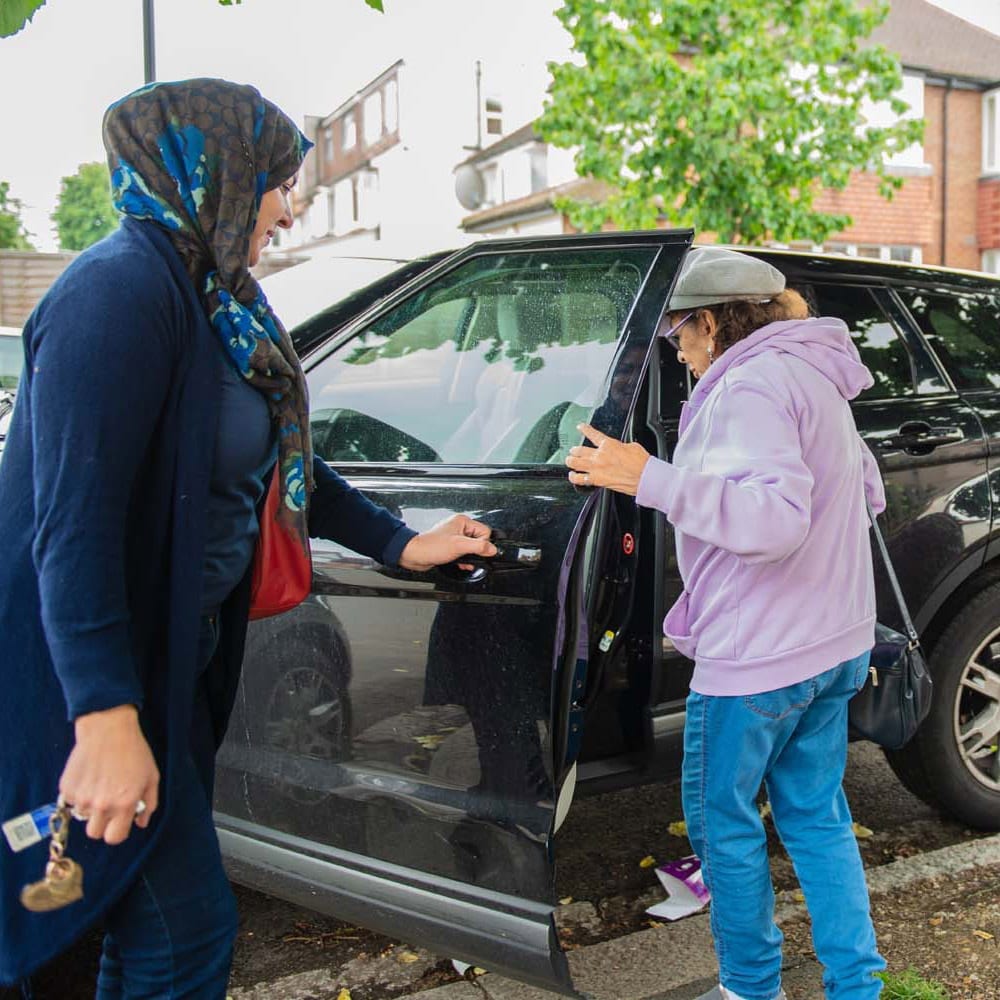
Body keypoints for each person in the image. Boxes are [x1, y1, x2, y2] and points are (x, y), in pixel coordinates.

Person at [0, 78, 496, 997]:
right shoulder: (116, 293)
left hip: (177, 662)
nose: (288, 206)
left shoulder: (219, 299)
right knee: (186, 934)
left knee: (139, 925)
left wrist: (398, 542)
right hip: (97, 678)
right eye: (277, 180)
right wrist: (104, 717)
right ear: (214, 172)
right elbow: (73, 527)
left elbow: (283, 455)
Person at [565, 246, 887, 1000]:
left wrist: (648, 477)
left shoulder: (747, 385)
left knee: (725, 828)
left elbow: (775, 521)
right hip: (836, 642)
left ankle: (749, 988)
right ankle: (856, 985)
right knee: (817, 817)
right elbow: (865, 493)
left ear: (711, 323)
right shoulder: (813, 372)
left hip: (760, 661)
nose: (677, 350)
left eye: (678, 332)